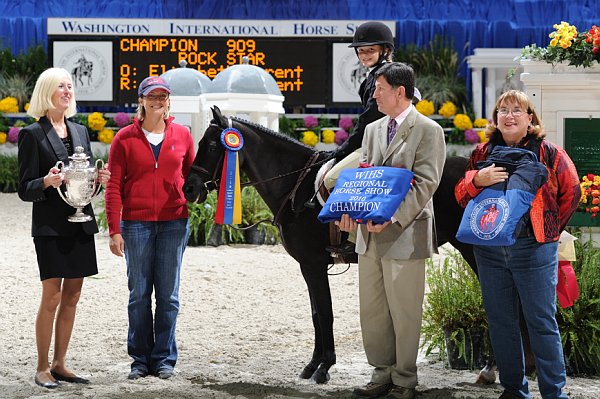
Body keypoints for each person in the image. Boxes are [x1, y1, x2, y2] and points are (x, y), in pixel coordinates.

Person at [454, 90, 580, 399]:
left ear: (530, 118)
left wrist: (549, 230)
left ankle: (554, 392)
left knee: (541, 321)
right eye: (503, 110)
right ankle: (514, 390)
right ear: (495, 119)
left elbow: (572, 192)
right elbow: (460, 196)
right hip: (490, 251)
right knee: (501, 322)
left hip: (535, 249)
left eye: (517, 110)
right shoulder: (481, 153)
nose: (509, 116)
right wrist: (476, 180)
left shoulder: (550, 153)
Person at [337, 62, 446, 399]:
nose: (375, 94)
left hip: (405, 233)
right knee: (372, 310)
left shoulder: (429, 130)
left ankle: (404, 379)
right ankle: (380, 372)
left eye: (380, 88)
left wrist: (393, 216)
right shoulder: (372, 130)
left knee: (405, 310)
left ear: (400, 92)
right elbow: (364, 180)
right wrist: (350, 212)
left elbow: (426, 183)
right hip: (369, 235)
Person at [17, 67, 110, 388]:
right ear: (46, 92)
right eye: (61, 86)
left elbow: (82, 184)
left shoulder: (81, 132)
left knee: (73, 296)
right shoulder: (32, 134)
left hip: (81, 222)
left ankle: (60, 364)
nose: (68, 91)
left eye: (70, 86)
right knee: (52, 298)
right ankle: (42, 367)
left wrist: (98, 181)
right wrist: (46, 180)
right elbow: (24, 188)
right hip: (50, 225)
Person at [105, 76, 195, 380]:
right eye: (152, 96)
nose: (159, 101)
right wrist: (114, 228)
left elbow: (192, 177)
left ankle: (164, 359)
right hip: (136, 224)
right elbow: (114, 185)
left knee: (169, 296)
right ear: (141, 100)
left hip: (174, 223)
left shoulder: (183, 135)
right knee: (139, 295)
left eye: (163, 96)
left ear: (169, 101)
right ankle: (140, 360)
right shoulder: (124, 138)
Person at [324, 21, 420, 257]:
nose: (364, 55)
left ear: (385, 50)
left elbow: (368, 120)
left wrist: (343, 150)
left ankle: (355, 238)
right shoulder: (374, 75)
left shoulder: (386, 75)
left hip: (385, 143)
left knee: (332, 178)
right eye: (361, 51)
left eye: (370, 50)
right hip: (375, 138)